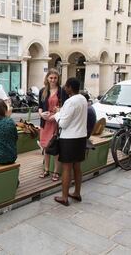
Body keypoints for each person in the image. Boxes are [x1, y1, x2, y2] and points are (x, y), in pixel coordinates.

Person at [49, 77, 88, 206]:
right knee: (77, 167)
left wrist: (56, 115)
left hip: (69, 139)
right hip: (81, 137)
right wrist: (61, 112)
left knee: (66, 168)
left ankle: (64, 197)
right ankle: (77, 193)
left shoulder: (70, 101)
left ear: (70, 87)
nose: (65, 88)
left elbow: (63, 123)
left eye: (66, 86)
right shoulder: (83, 99)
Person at [38, 69, 68, 181]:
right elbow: (40, 106)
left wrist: (58, 110)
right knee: (45, 147)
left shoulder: (62, 91)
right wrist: (41, 114)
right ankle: (46, 170)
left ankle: (56, 171)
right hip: (45, 122)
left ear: (58, 78)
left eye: (55, 78)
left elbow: (65, 107)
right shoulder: (42, 91)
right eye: (51, 78)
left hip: (56, 121)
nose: (53, 80)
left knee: (55, 147)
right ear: (47, 78)